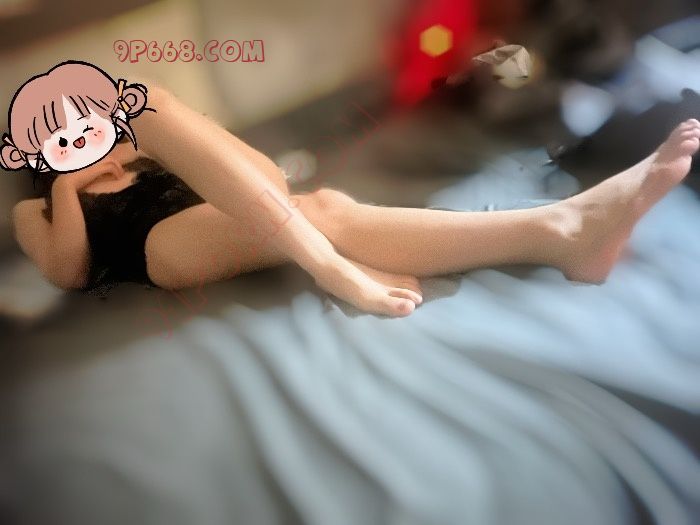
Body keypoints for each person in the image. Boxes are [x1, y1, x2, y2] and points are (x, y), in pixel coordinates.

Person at [3, 64, 699, 317]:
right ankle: (336, 268)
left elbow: (264, 181)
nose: (82, 136)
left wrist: (160, 125)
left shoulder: (137, 144)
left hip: (233, 212)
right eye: (59, 134)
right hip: (158, 249)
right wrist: (71, 185)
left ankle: (565, 231)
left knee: (324, 206)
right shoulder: (35, 207)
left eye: (86, 120)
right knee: (324, 215)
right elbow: (68, 270)